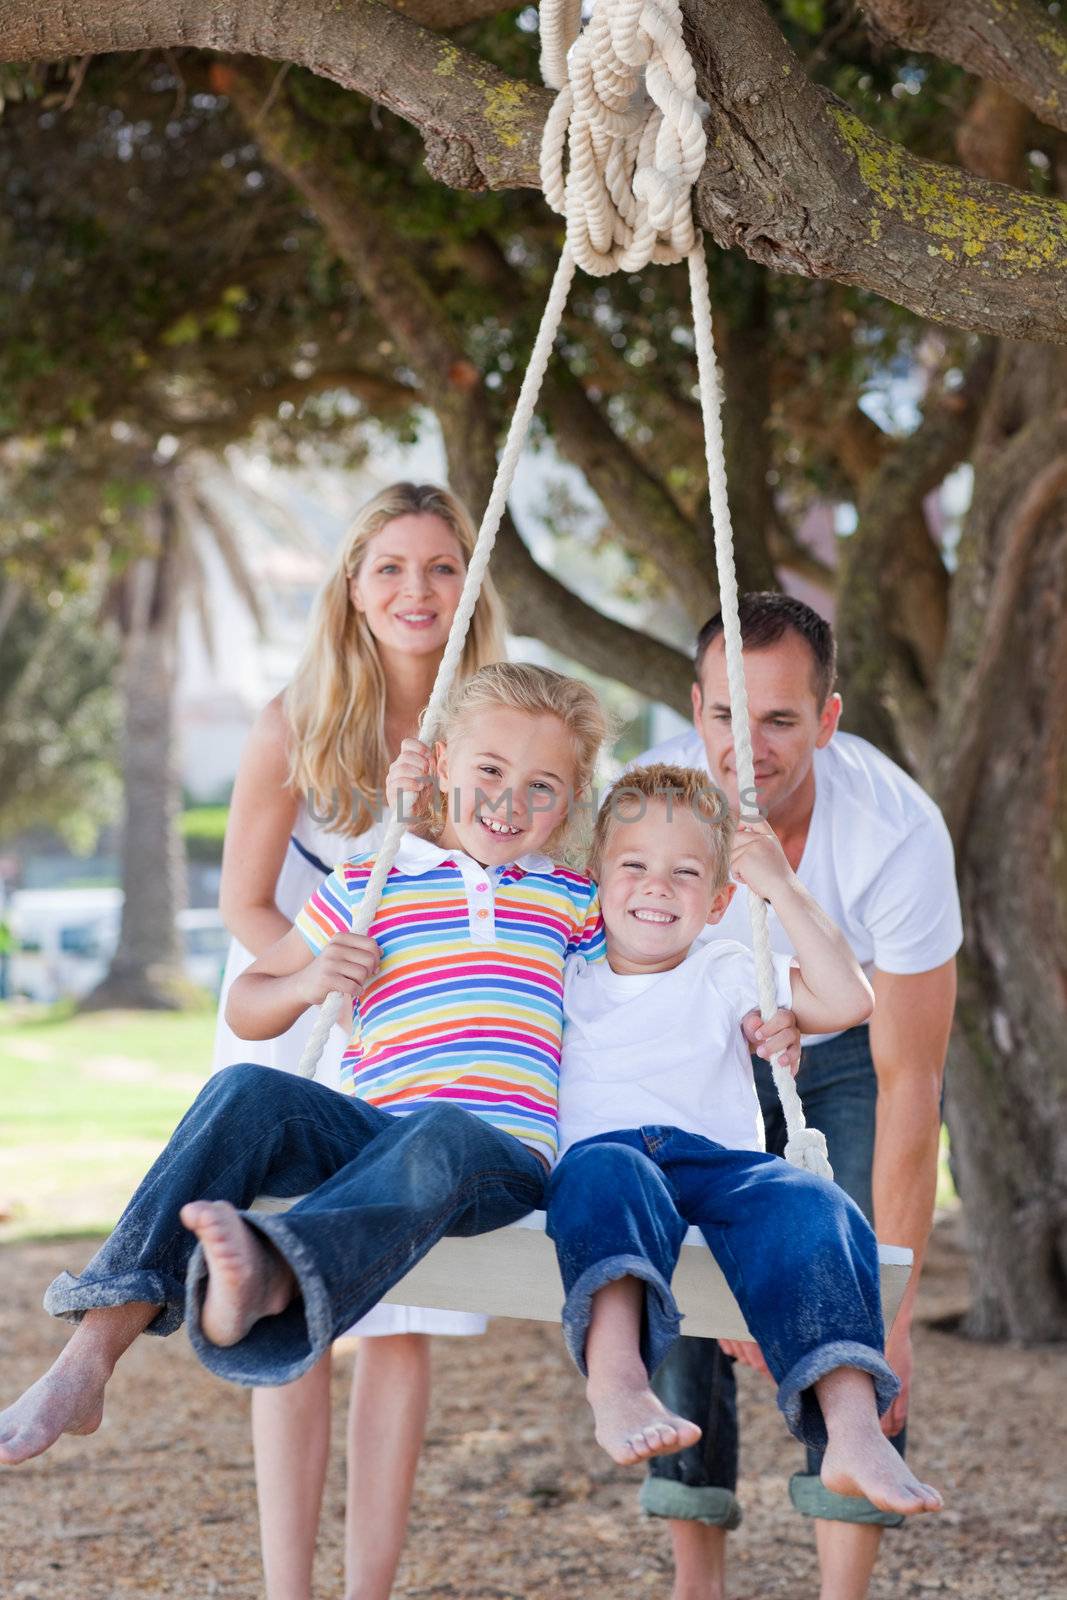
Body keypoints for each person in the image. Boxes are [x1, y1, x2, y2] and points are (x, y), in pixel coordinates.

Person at [0, 664, 606, 1470]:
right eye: (489, 770)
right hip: (374, 1133)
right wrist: (309, 980)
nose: (507, 801)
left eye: (542, 786)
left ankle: (276, 1269)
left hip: (495, 1156)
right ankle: (86, 1361)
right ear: (438, 765)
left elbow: (657, 983)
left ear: (570, 802)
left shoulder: (575, 898)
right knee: (247, 1090)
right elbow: (248, 1002)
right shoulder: (368, 881)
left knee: (437, 1128)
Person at [212, 481, 507, 1600]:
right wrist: (308, 970)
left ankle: (365, 1590)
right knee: (289, 1291)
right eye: (389, 566)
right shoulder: (295, 721)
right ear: (352, 583)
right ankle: (289, 1588)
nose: (415, 590)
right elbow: (245, 907)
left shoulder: (489, 728)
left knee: (397, 1316)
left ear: (469, 586)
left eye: (440, 567)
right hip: (299, 1015)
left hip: (427, 1026)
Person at [634, 595, 961, 1600]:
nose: (749, 746)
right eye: (728, 715)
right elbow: (631, 1029)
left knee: (852, 1314)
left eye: (780, 719)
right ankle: (698, 1582)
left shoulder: (895, 832)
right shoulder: (646, 814)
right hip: (707, 1062)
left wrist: (893, 1308)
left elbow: (910, 1081)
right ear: (697, 708)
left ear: (825, 718)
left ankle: (841, 1589)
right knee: (682, 1292)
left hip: (848, 1054)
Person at [547, 763, 942, 1521]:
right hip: (607, 1163)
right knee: (605, 1173)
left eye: (685, 872)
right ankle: (618, 1381)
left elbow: (847, 999)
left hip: (715, 1166)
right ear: (596, 878)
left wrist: (783, 889)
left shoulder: (728, 968)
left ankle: (852, 1429)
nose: (656, 887)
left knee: (807, 1200)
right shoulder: (561, 972)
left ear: (721, 898)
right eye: (633, 866)